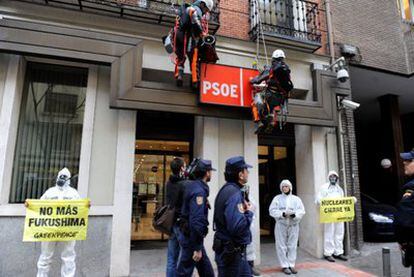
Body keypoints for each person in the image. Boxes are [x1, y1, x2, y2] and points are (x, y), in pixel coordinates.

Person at [29, 167, 82, 277]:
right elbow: (40, 206)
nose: (62, 179)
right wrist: (30, 206)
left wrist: (87, 206)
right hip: (49, 230)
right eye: (60, 177)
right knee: (45, 256)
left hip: (68, 230)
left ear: (69, 179)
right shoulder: (50, 192)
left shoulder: (74, 194)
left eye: (64, 177)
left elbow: (80, 209)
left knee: (68, 257)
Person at [213, 156, 254, 276]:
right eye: (246, 170)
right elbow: (237, 227)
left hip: (232, 252)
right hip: (232, 254)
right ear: (241, 175)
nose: (248, 173)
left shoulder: (227, 189)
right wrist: (249, 213)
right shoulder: (234, 194)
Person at [176, 159, 215, 277]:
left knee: (206, 270)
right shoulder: (198, 191)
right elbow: (196, 220)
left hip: (192, 236)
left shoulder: (194, 186)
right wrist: (197, 247)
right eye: (210, 171)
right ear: (207, 173)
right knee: (184, 271)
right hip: (191, 238)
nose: (211, 174)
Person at [316, 170, 356, 262]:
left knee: (339, 233)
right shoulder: (324, 188)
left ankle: (338, 252)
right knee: (329, 233)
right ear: (328, 178)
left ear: (337, 178)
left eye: (334, 177)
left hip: (339, 215)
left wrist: (351, 201)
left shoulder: (339, 189)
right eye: (331, 176)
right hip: (329, 215)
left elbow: (343, 201)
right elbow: (318, 199)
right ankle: (328, 253)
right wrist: (321, 202)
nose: (333, 178)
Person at [250, 49, 293, 133]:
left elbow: (257, 80)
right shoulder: (286, 70)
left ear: (273, 58)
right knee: (273, 106)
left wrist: (253, 80)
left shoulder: (271, 69)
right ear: (282, 58)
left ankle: (259, 121)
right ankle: (272, 119)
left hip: (270, 95)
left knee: (256, 101)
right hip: (280, 98)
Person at [269, 180, 305, 275]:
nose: (285, 188)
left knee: (292, 245)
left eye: (286, 186)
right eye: (283, 186)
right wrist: (282, 214)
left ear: (290, 187)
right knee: (281, 245)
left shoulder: (296, 199)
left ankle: (291, 264)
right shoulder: (277, 198)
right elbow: (272, 210)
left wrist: (295, 215)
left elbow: (302, 211)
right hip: (281, 225)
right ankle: (285, 265)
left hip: (293, 225)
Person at [174, 0, 214, 87]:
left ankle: (179, 76)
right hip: (189, 37)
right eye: (206, 9)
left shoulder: (186, 10)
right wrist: (202, 33)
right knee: (193, 58)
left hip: (180, 35)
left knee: (181, 57)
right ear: (202, 4)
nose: (205, 12)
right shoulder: (194, 9)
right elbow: (195, 20)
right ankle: (195, 81)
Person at [165, 157, 187, 277]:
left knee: (171, 258)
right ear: (181, 168)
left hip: (171, 223)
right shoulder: (183, 184)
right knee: (184, 256)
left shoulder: (169, 183)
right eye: (185, 166)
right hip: (180, 224)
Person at [395, 149, 414, 276]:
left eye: (409, 160)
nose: (404, 163)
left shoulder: (411, 188)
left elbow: (404, 222)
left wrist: (403, 241)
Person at [244, 192, 261, 276]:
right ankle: (245, 268)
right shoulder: (235, 196)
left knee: (251, 246)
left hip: (250, 224)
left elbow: (254, 207)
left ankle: (251, 267)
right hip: (241, 225)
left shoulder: (250, 197)